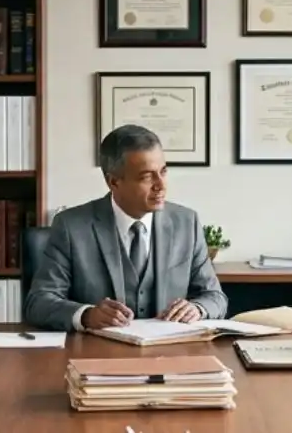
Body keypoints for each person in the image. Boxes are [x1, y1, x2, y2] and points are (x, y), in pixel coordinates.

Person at [23, 125, 228, 331]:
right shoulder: (71, 226)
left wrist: (197, 308)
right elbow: (39, 302)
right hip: (99, 355)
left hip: (169, 354)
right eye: (147, 177)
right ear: (114, 181)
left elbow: (215, 297)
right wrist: (86, 315)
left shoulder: (186, 223)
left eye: (163, 172)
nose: (161, 185)